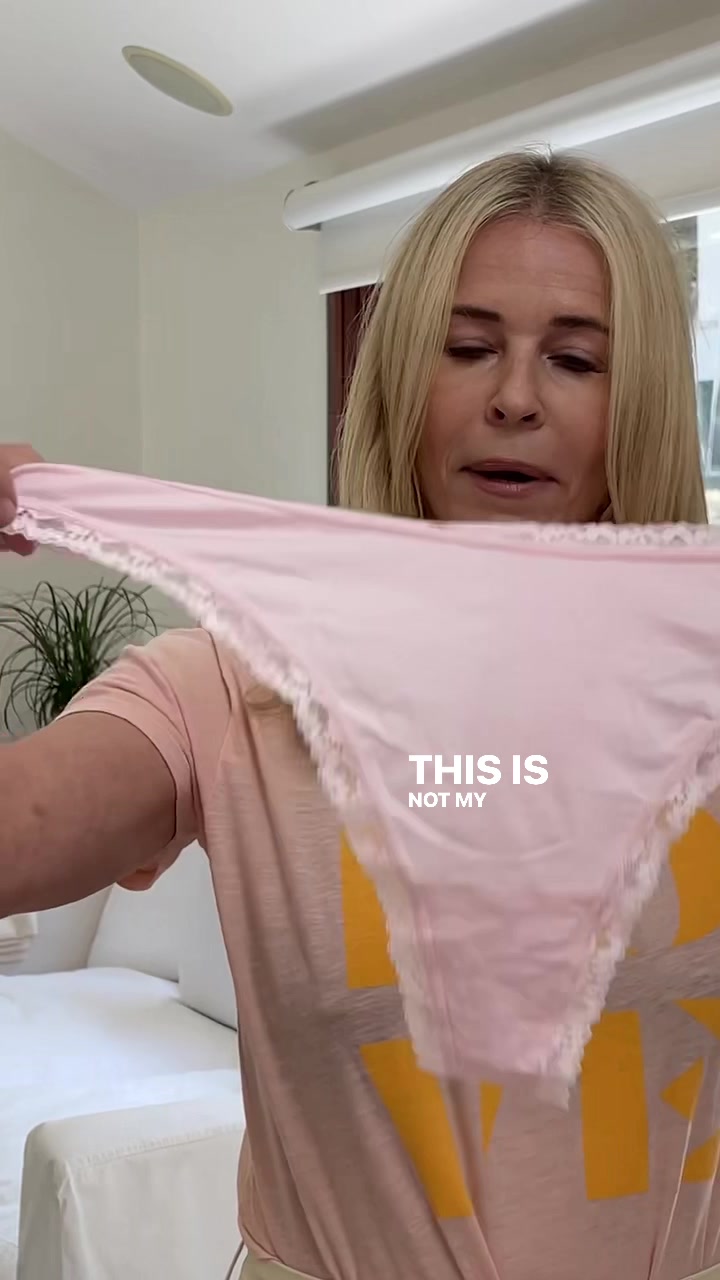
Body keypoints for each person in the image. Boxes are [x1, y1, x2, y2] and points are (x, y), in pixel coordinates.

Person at [0, 149, 716, 1280]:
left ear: (644, 408)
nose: (515, 397)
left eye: (576, 359)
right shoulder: (227, 689)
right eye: (467, 347)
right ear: (399, 383)